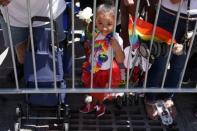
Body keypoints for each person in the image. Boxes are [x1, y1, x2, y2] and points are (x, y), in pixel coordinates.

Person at [145, 0, 197, 120]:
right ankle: (150, 98)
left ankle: (168, 97)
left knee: (179, 66)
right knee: (160, 63)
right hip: (169, 16)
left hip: (193, 20)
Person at [0, 0, 67, 81]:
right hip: (12, 14)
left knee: (52, 54)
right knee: (22, 57)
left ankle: (57, 75)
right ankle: (23, 70)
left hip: (50, 10)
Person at [79, 2, 125, 117]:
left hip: (105, 71)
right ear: (95, 21)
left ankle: (100, 105)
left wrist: (117, 47)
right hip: (92, 67)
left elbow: (120, 59)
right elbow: (94, 46)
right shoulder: (96, 33)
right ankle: (93, 103)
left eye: (109, 24)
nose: (104, 27)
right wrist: (88, 44)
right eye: (100, 23)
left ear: (115, 23)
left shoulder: (116, 38)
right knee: (92, 87)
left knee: (100, 90)